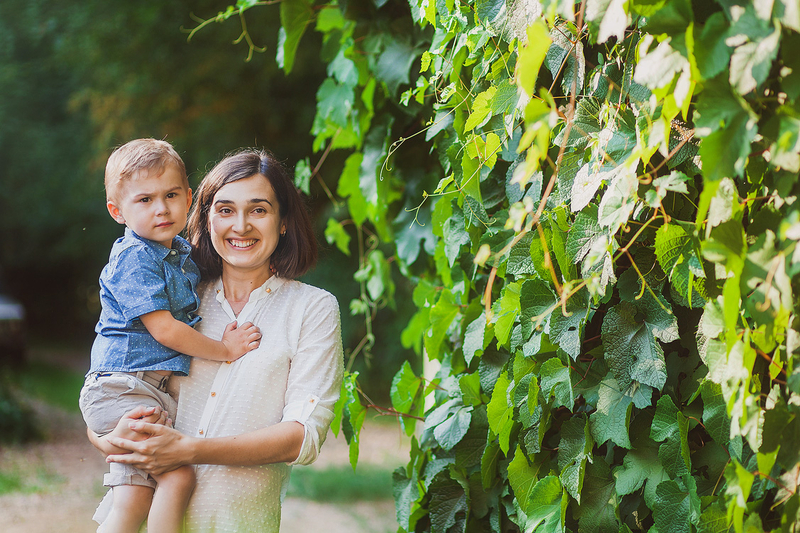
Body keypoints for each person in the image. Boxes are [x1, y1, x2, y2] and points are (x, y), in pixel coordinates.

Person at [90, 148, 344, 533]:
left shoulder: (312, 309)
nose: (240, 225)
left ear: (283, 222)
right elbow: (110, 388)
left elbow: (301, 437)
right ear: (207, 218)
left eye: (258, 210)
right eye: (225, 210)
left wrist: (189, 451)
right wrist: (111, 439)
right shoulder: (175, 299)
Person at [80, 139, 263, 533]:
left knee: (136, 498)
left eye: (171, 195)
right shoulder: (134, 258)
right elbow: (164, 329)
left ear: (189, 199)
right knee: (174, 479)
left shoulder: (179, 252)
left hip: (140, 388)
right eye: (145, 200)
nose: (161, 208)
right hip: (123, 388)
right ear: (117, 211)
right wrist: (224, 349)